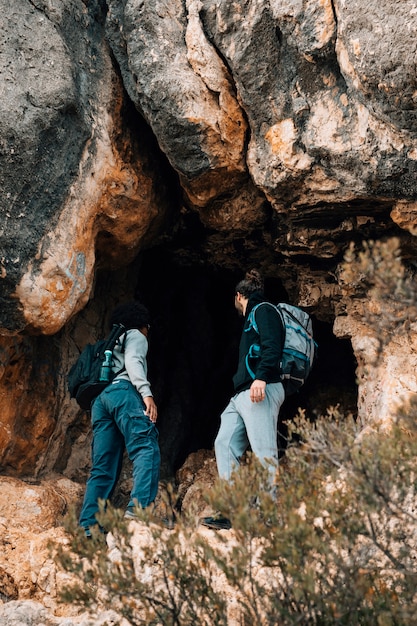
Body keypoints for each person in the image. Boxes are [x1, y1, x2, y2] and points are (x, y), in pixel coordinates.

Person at [201, 270, 285, 530]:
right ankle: (229, 510)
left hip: (261, 388)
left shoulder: (264, 310)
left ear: (238, 296)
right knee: (224, 442)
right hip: (241, 395)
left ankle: (267, 516)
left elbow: (273, 343)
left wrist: (261, 377)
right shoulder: (253, 317)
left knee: (264, 452)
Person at [79, 301, 160, 537]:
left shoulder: (111, 342)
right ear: (142, 324)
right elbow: (133, 362)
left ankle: (89, 526)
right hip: (123, 393)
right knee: (146, 447)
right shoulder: (135, 335)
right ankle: (138, 512)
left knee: (103, 467)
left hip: (100, 401)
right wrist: (146, 394)